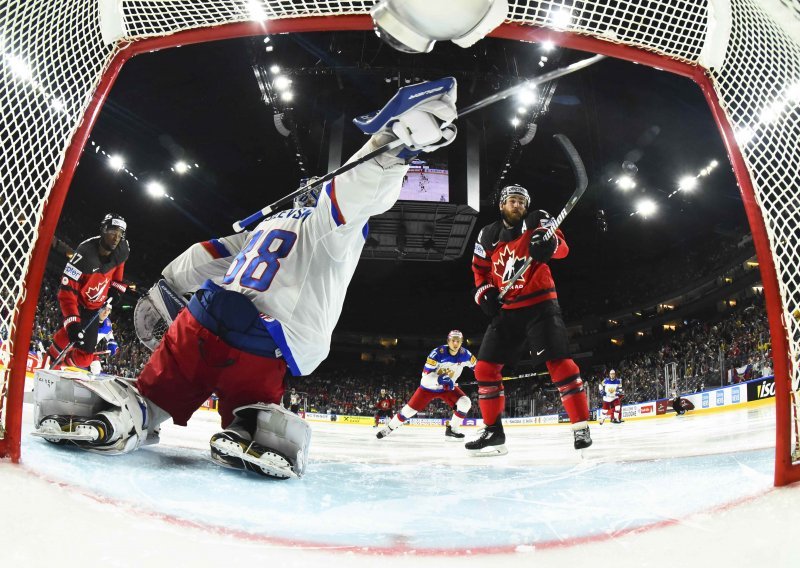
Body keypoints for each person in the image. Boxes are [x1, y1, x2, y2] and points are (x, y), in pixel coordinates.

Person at [32, 78, 459, 480]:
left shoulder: (263, 229)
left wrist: (166, 285)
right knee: (253, 407)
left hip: (200, 319)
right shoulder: (327, 229)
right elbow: (348, 196)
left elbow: (206, 254)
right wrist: (393, 145)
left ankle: (121, 414)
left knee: (153, 394)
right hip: (261, 339)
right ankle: (254, 429)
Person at [468, 184, 591, 455]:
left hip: (540, 305)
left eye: (521, 202)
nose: (517, 206)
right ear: (501, 205)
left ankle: (580, 426)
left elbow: (563, 249)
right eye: (511, 201)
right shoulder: (487, 235)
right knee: (484, 369)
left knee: (560, 364)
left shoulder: (537, 220)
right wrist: (484, 292)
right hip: (508, 309)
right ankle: (493, 431)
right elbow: (480, 270)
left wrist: (549, 244)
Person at [46, 213, 129, 369]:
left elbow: (118, 277)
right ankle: (49, 363)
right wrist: (72, 323)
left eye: (120, 234)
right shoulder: (84, 253)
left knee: (85, 359)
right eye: (113, 232)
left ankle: (60, 365)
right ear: (103, 230)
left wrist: (116, 290)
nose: (116, 237)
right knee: (68, 336)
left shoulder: (121, 251)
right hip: (77, 304)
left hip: (93, 310)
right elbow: (66, 292)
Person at [377, 330, 476, 440]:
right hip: (428, 387)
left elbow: (478, 368)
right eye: (453, 341)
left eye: (458, 341)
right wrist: (440, 379)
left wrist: (488, 377)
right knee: (408, 411)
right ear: (448, 341)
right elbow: (426, 376)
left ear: (462, 342)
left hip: (447, 388)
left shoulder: (466, 355)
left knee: (465, 403)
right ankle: (390, 428)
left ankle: (452, 429)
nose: (456, 344)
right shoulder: (437, 353)